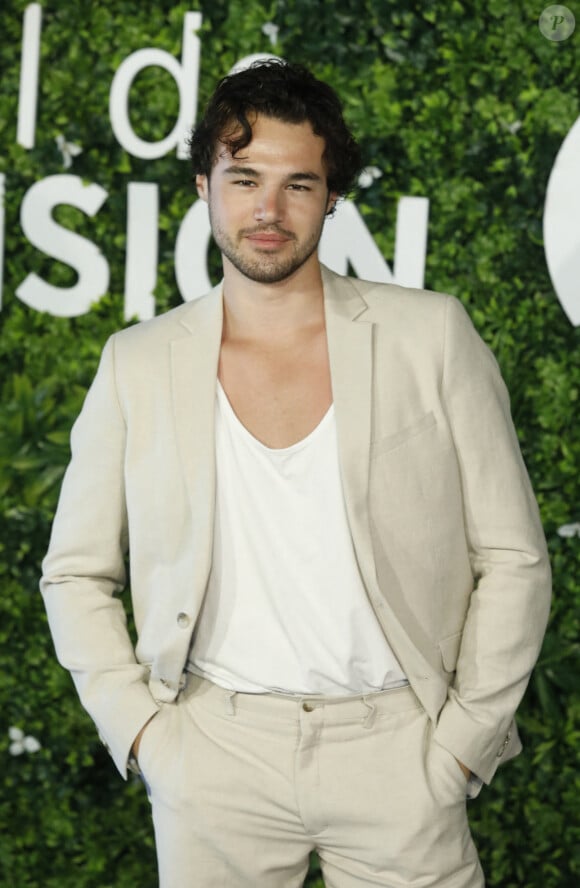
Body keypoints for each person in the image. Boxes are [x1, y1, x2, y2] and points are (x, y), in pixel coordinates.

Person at [41, 60, 551, 887]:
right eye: (244, 179)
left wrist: (459, 748)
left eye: (298, 185)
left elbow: (516, 559)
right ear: (204, 185)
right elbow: (74, 572)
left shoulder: (431, 337)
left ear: (333, 197)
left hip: (398, 751)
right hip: (212, 752)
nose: (268, 212)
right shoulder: (137, 363)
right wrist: (144, 734)